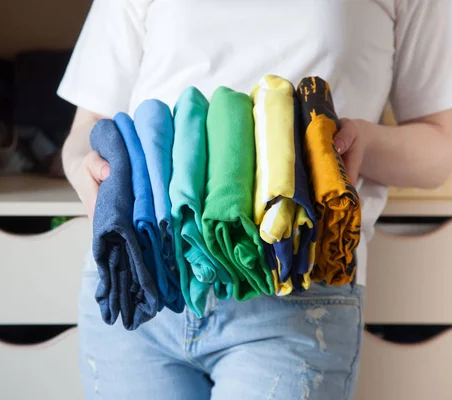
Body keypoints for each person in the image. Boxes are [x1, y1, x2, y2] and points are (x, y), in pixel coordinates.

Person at [57, 1, 452, 399]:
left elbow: (442, 145)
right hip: (139, 280)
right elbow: (87, 126)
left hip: (297, 288)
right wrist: (91, 177)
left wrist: (361, 141)